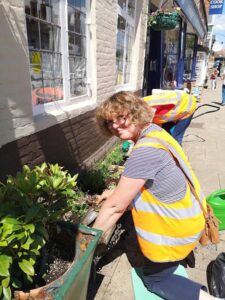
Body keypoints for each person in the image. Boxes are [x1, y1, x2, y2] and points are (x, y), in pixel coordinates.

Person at [93, 91, 224, 300]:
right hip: (189, 218)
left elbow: (115, 208)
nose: (115, 126)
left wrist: (89, 242)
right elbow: (141, 183)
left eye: (121, 117)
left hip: (175, 231)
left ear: (136, 114)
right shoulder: (156, 132)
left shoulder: (144, 152)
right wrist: (116, 191)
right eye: (110, 122)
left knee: (155, 280)